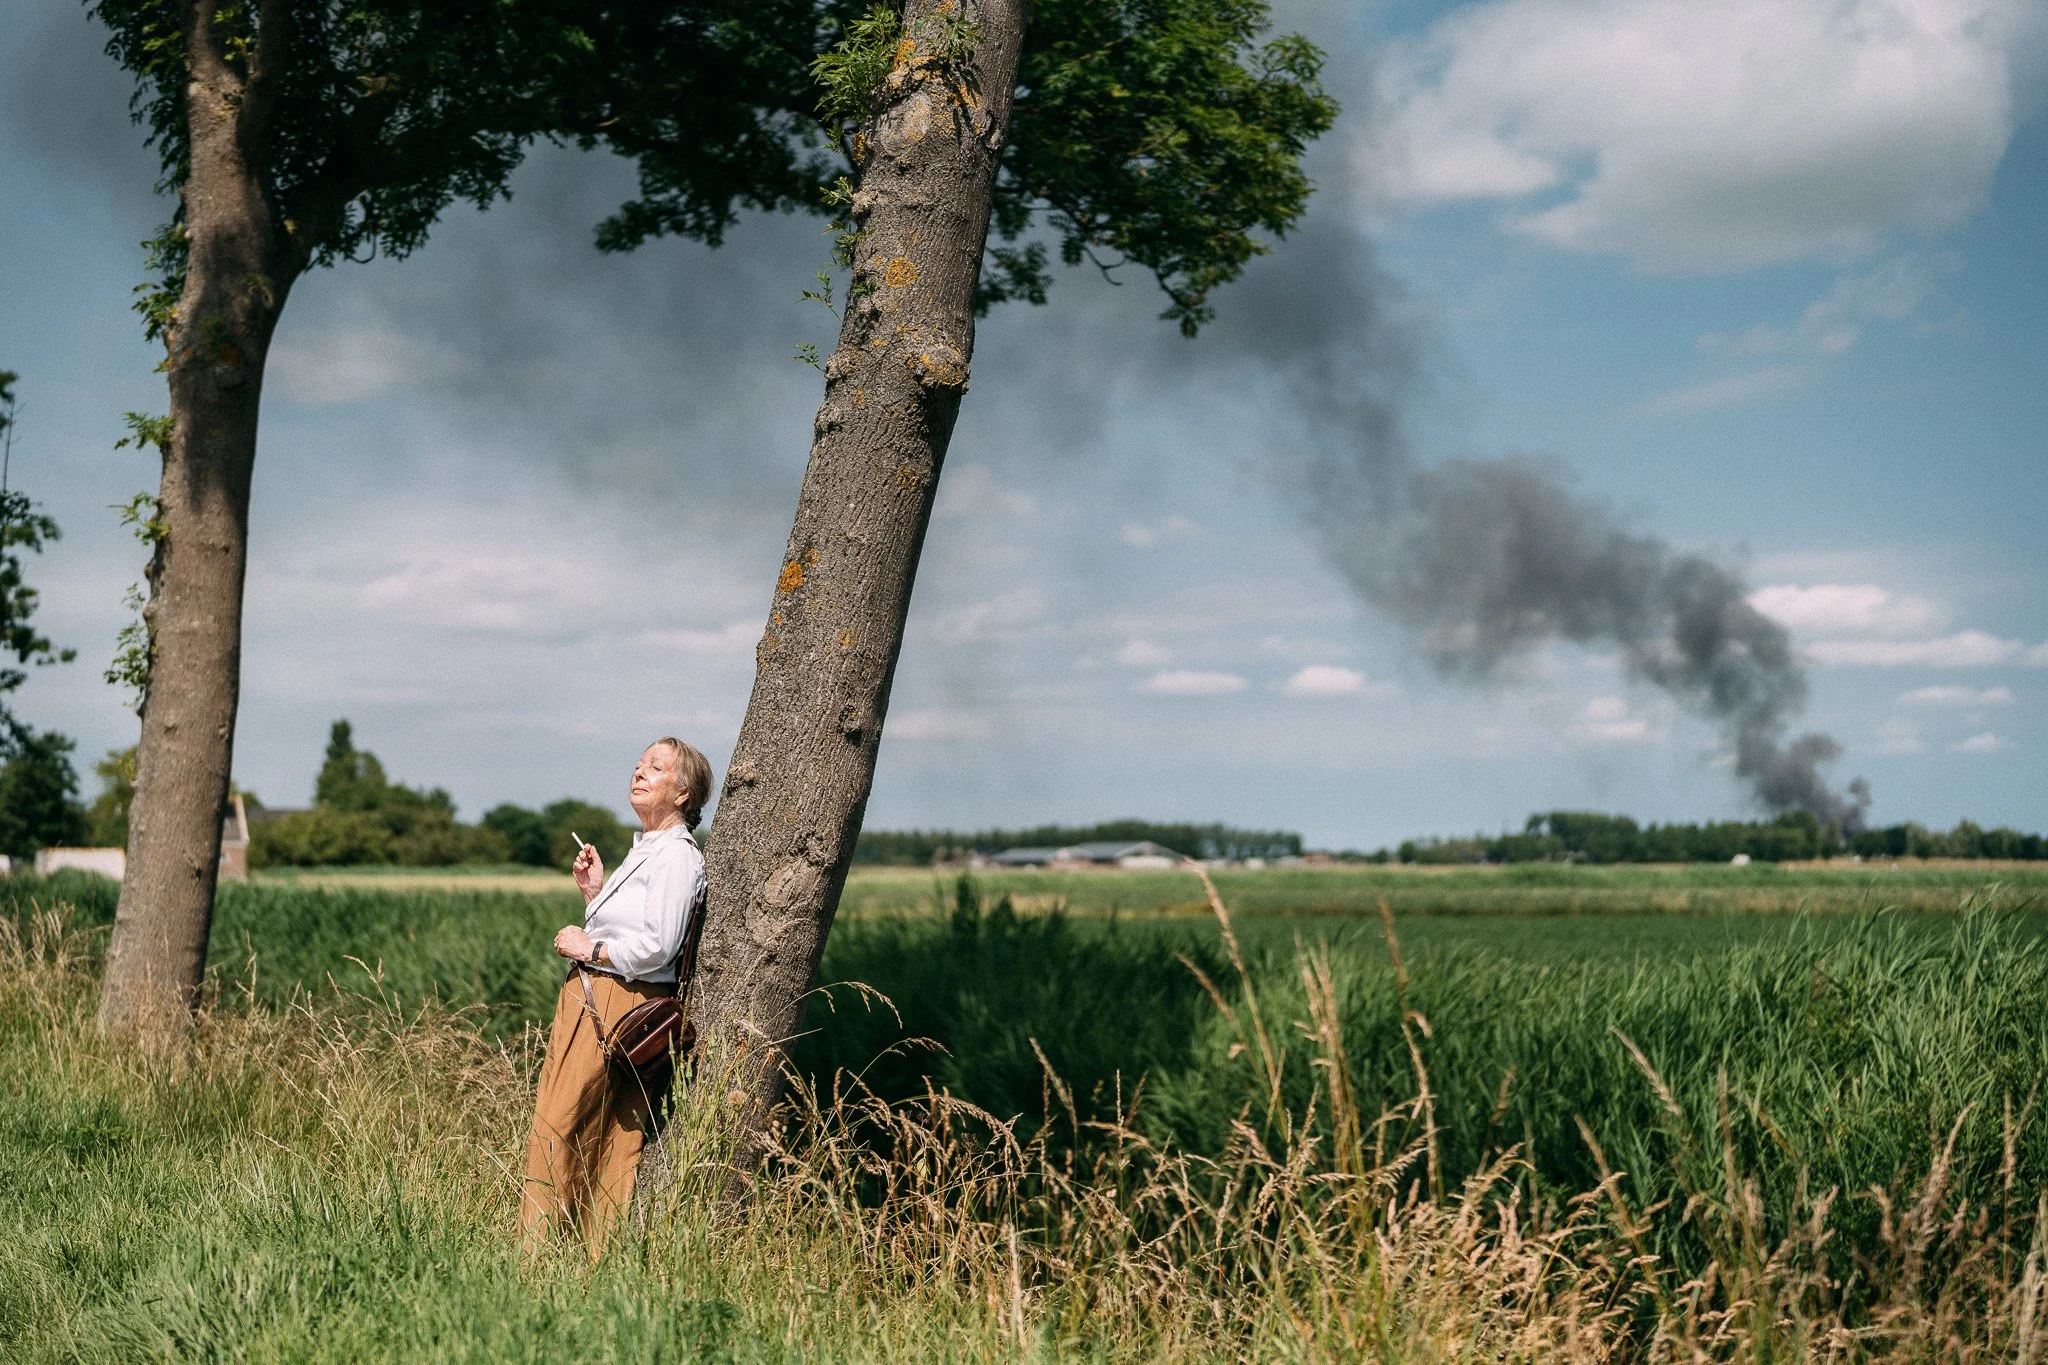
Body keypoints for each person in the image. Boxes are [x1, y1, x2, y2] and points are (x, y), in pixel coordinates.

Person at [519, 736, 713, 1254]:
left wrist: (591, 946)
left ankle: (548, 1259)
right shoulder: (647, 850)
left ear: (683, 793)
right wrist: (595, 894)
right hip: (593, 998)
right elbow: (636, 931)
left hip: (620, 1004)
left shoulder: (676, 857)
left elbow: (659, 946)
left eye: (656, 767)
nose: (640, 771)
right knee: (573, 1126)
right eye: (639, 764)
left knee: (570, 1128)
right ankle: (565, 1256)